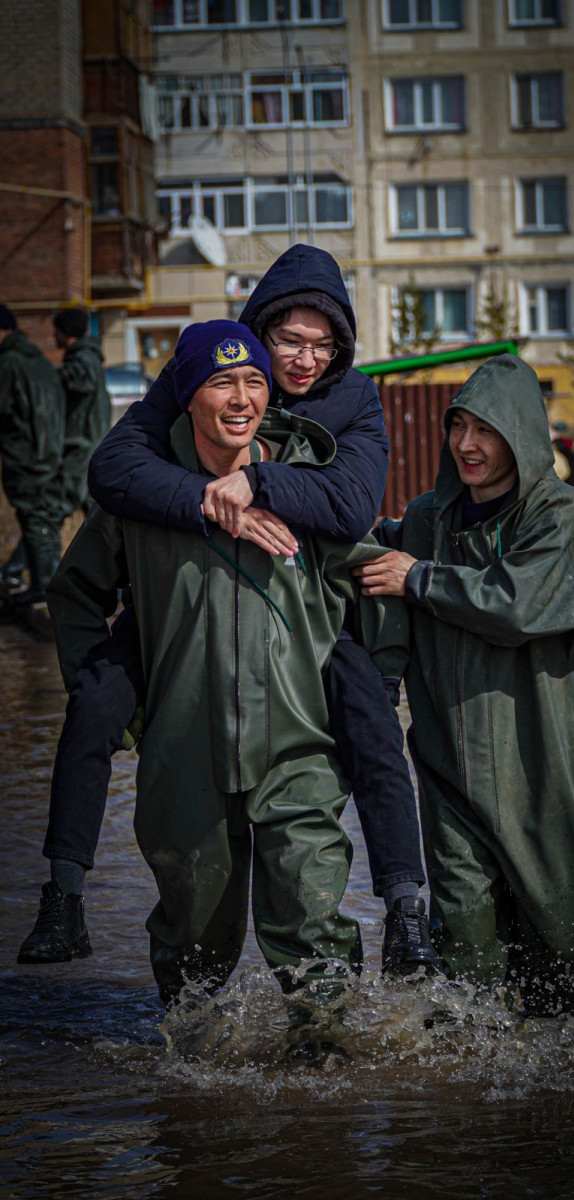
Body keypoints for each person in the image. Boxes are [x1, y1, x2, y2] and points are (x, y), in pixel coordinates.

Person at [18, 246, 439, 979]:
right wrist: (206, 505)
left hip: (305, 631)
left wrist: (255, 487)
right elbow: (112, 470)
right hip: (182, 634)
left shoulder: (353, 400)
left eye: (323, 343)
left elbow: (351, 511)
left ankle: (406, 909)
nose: (303, 360)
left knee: (370, 718)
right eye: (288, 342)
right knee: (93, 700)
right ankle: (64, 895)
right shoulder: (202, 373)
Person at [354, 354, 574, 1017]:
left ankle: (549, 1100)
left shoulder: (561, 516)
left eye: (487, 430)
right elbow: (359, 555)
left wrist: (420, 579)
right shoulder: (426, 521)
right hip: (451, 768)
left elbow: (519, 603)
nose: (467, 445)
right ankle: (472, 1095)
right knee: (468, 950)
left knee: (565, 945)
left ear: (522, 434)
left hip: (543, 764)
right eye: (459, 427)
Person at [0, 305, 64, 605]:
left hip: (26, 455)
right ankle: (43, 587)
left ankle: (46, 588)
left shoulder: (9, 362)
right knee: (41, 519)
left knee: (36, 520)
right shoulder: (37, 359)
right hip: (48, 452)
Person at [53, 307, 111, 519]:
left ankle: (38, 550)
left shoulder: (83, 359)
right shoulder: (87, 356)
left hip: (83, 442)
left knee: (55, 509)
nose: (53, 337)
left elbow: (83, 381)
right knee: (96, 513)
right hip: (90, 441)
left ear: (66, 333)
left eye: (56, 331)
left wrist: (58, 377)